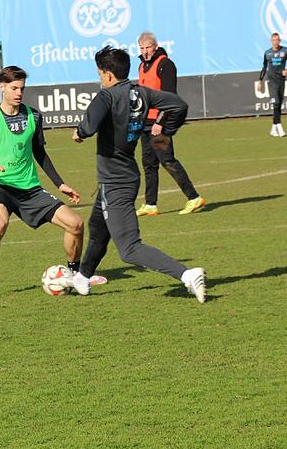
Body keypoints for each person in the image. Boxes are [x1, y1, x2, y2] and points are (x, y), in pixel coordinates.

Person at [68, 46, 206, 302]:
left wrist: (79, 133)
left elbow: (88, 126)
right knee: (98, 228)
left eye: (100, 73)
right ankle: (82, 277)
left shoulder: (106, 96)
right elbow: (179, 105)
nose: (100, 78)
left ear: (108, 74)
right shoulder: (141, 92)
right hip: (125, 175)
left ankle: (187, 274)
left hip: (115, 181)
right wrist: (165, 130)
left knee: (129, 249)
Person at [0, 65, 104, 300]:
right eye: (14, 88)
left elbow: (40, 153)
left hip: (30, 189)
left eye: (22, 88)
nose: (19, 93)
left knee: (76, 224)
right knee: (0, 223)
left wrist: (60, 184)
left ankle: (75, 274)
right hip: (0, 186)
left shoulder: (34, 116)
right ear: (2, 87)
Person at [135, 31, 204, 217]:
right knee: (149, 164)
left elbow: (170, 97)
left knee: (167, 160)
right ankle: (150, 204)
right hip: (146, 123)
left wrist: (160, 122)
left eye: (148, 47)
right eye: (141, 48)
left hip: (159, 124)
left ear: (155, 47)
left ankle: (193, 197)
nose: (145, 51)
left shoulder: (165, 64)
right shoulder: (141, 65)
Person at [257, 33, 287, 137]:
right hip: (271, 81)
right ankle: (280, 128)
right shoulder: (267, 53)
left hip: (281, 80)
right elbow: (264, 67)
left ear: (280, 40)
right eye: (274, 40)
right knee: (276, 103)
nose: (275, 42)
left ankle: (273, 129)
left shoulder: (285, 51)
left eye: (277, 40)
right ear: (271, 41)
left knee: (279, 105)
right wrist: (260, 81)